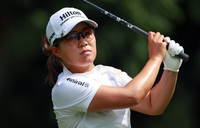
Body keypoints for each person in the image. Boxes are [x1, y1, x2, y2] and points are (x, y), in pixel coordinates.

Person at [42, 7, 184, 128]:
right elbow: (133, 96)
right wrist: (156, 58)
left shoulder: (111, 73)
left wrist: (171, 69)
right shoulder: (64, 87)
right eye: (72, 37)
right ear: (56, 51)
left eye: (87, 33)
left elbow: (153, 105)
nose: (83, 42)